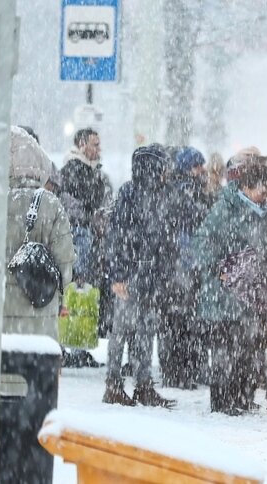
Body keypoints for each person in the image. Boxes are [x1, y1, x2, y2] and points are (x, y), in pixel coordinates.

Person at [192, 162, 267, 415]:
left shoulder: (266, 211)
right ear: (247, 187)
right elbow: (201, 243)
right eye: (262, 190)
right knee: (223, 351)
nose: (265, 195)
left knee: (246, 351)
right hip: (223, 295)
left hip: (250, 295)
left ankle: (241, 397)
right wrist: (222, 266)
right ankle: (222, 401)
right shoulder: (225, 210)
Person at [102, 144, 176, 407]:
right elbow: (117, 237)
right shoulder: (130, 194)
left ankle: (143, 385)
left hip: (149, 275)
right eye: (163, 166)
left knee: (145, 331)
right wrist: (118, 275)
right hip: (132, 273)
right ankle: (113, 385)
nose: (167, 171)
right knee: (121, 331)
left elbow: (161, 239)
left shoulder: (157, 194)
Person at [3, 126, 75, 338]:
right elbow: (65, 262)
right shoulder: (51, 203)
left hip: (0, 309)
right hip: (40, 311)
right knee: (33, 367)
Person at [159, 146, 211, 389]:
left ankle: (177, 370)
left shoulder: (174, 189)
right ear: (190, 168)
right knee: (184, 322)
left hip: (178, 266)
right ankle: (183, 370)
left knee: (176, 321)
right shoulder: (187, 192)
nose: (203, 170)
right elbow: (193, 221)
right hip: (184, 266)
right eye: (198, 165)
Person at [59, 127, 110, 282]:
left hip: (83, 231)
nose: (99, 149)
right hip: (80, 231)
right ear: (82, 144)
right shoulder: (76, 170)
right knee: (80, 283)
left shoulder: (89, 170)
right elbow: (90, 202)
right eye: (95, 144)